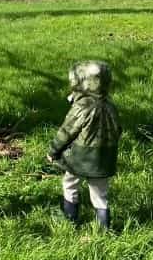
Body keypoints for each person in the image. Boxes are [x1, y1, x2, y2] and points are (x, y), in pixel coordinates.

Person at [47, 60, 122, 230]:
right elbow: (118, 130)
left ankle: (69, 220)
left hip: (79, 159)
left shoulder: (82, 106)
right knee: (100, 195)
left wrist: (53, 151)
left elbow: (66, 132)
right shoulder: (110, 105)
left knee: (70, 184)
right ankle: (104, 230)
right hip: (104, 158)